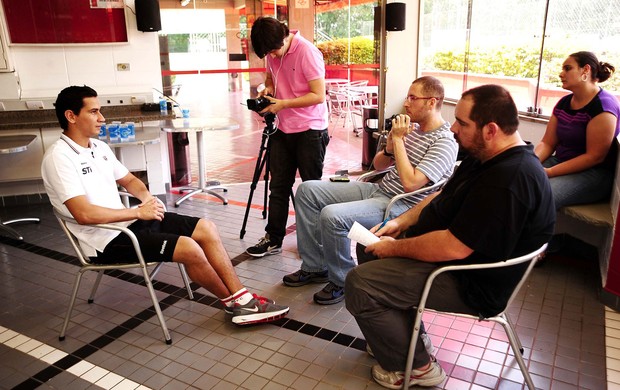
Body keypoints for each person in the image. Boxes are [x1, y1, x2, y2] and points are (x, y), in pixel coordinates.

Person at [345, 85, 555, 388]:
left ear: (490, 129)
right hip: (455, 256)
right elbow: (444, 194)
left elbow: (453, 247)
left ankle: (417, 368)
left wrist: (394, 249)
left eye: (462, 123)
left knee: (361, 283)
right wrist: (400, 222)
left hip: (470, 281)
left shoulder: (509, 179)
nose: (453, 128)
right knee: (369, 247)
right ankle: (403, 339)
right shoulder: (484, 155)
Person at [41, 85, 289, 326]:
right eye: (93, 112)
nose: (102, 118)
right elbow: (83, 214)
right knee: (190, 249)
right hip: (105, 241)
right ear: (71, 116)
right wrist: (138, 211)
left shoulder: (99, 148)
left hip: (129, 223)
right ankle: (237, 304)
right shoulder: (58, 158)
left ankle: (241, 299)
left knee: (206, 227)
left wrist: (147, 199)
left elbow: (128, 180)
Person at [284, 76, 458, 305]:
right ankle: (315, 266)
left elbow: (411, 184)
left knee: (332, 216)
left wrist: (398, 141)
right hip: (379, 190)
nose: (406, 103)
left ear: (431, 102)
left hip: (401, 205)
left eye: (413, 98)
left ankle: (343, 280)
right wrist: (389, 146)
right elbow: (378, 166)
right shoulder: (412, 130)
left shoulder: (445, 142)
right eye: (408, 97)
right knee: (307, 190)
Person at [245, 16, 330, 257]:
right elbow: (271, 78)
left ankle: (315, 242)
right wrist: (268, 90)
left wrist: (283, 104)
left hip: (310, 130)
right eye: (267, 52)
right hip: (282, 129)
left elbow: (318, 95)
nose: (271, 55)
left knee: (311, 188)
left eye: (273, 50)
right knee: (279, 187)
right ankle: (273, 239)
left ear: (283, 37)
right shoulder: (272, 53)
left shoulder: (308, 52)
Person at [535, 51, 619, 209]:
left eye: (567, 68)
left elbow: (594, 157)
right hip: (561, 162)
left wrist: (550, 172)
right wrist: (532, 162)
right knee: (516, 178)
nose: (561, 74)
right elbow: (547, 142)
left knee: (542, 196)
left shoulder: (603, 106)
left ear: (585, 70)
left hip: (594, 173)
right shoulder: (564, 103)